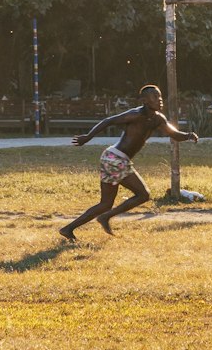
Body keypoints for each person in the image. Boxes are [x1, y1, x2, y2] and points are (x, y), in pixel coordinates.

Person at [59, 85, 197, 241]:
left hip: (114, 158)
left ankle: (68, 229)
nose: (159, 100)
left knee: (105, 203)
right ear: (144, 100)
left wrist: (188, 135)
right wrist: (88, 137)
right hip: (114, 159)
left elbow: (174, 134)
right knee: (143, 194)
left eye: (160, 96)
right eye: (154, 97)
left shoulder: (158, 119)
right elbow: (108, 121)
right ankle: (105, 217)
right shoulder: (135, 115)